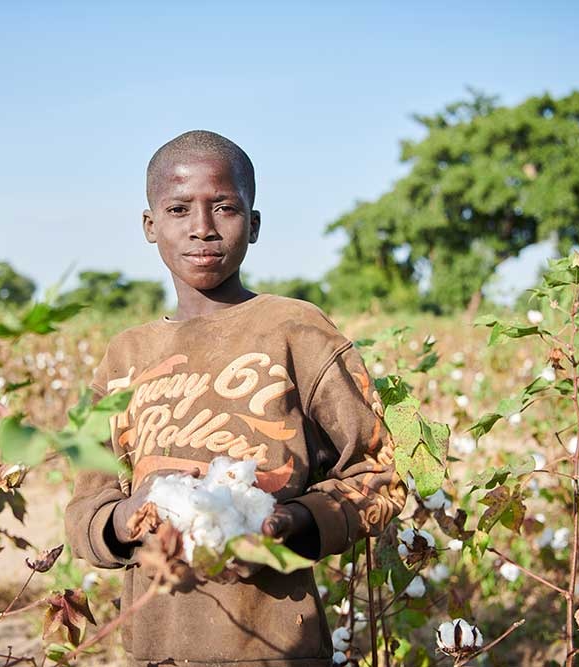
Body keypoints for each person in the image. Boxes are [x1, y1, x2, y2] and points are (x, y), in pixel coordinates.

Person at [65, 130, 405, 667]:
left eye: (224, 207)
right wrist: (125, 517)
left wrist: (287, 522)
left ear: (253, 223)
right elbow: (86, 509)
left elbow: (379, 475)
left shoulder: (296, 330)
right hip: (157, 646)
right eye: (179, 209)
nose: (202, 229)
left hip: (277, 644)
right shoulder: (124, 356)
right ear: (151, 226)